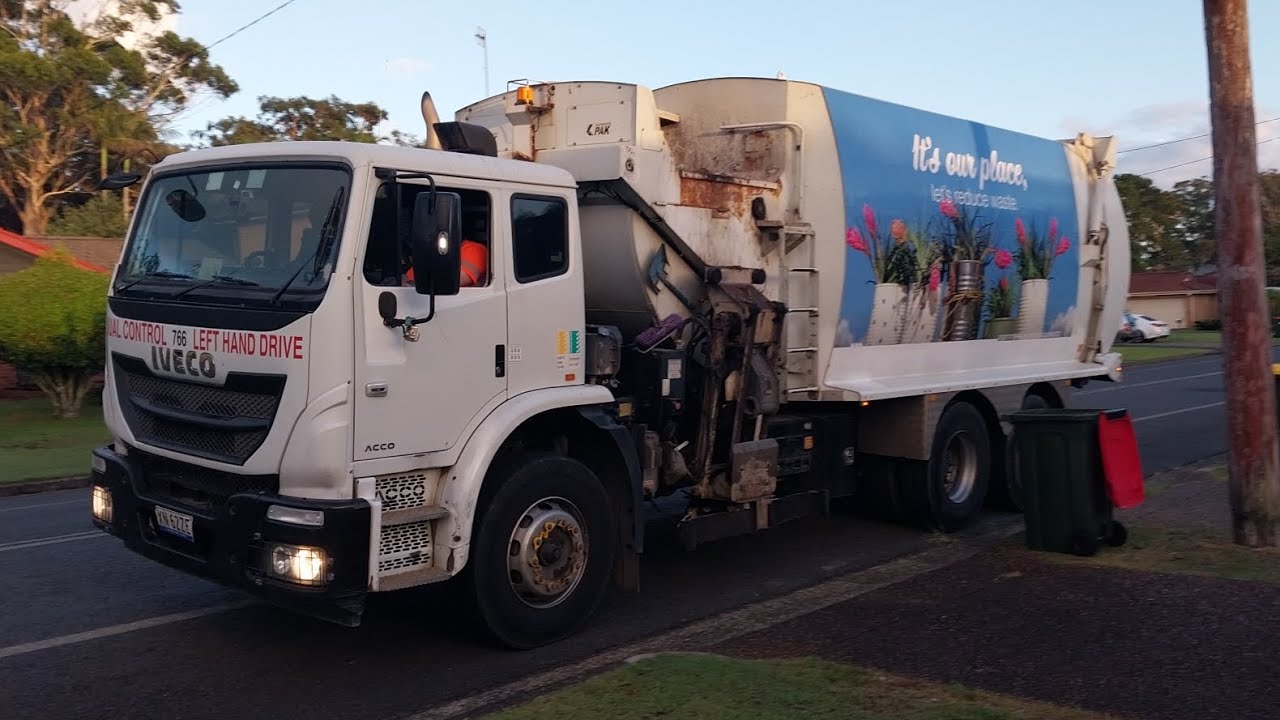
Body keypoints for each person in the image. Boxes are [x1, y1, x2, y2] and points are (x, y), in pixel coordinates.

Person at [404, 237, 488, 287]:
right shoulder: (428, 257)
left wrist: (410, 285)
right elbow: (406, 283)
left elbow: (451, 280)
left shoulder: (474, 249)